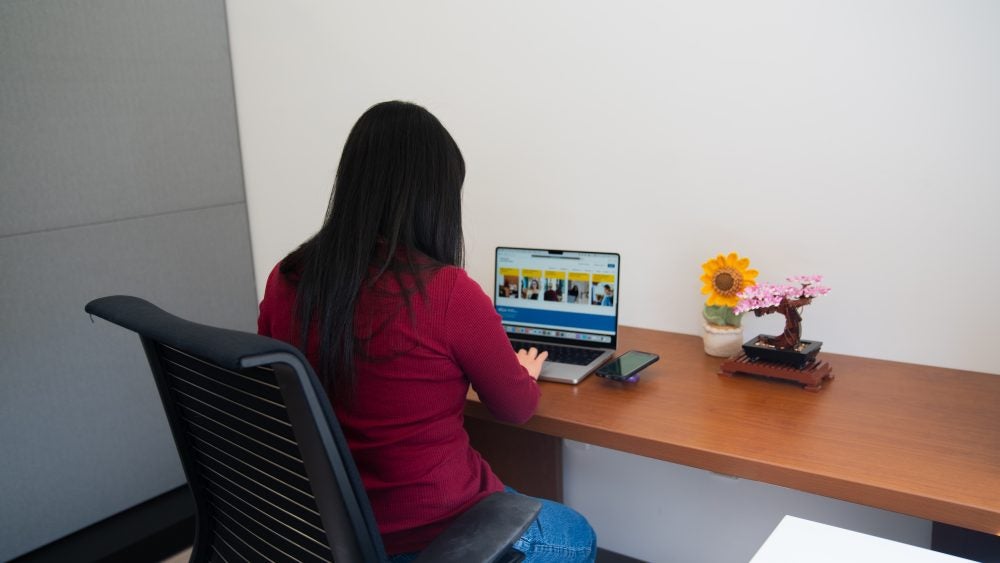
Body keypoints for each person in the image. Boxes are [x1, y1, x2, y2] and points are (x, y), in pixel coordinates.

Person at [257, 101, 596, 562]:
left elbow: (272, 388)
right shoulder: (448, 293)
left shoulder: (288, 278)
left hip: (330, 529)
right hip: (434, 532)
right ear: (435, 199)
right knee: (576, 534)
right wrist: (522, 373)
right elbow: (516, 409)